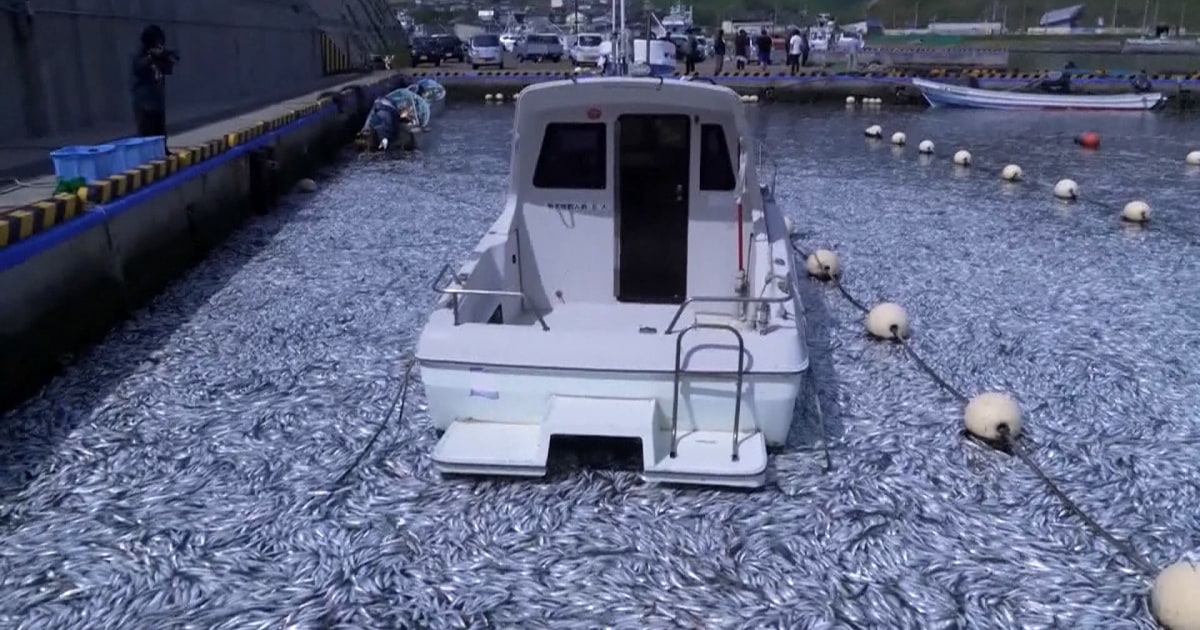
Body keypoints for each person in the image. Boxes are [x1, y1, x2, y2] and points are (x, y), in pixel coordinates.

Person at [130, 24, 178, 152]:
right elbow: (139, 68)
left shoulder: (158, 55)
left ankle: (163, 152)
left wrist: (165, 57)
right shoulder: (139, 54)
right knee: (146, 136)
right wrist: (151, 57)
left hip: (157, 101)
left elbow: (168, 69)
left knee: (161, 133)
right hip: (144, 103)